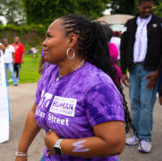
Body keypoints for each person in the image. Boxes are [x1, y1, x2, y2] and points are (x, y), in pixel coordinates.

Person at [15, 14, 135, 161]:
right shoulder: (50, 73)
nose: (44, 43)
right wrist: (21, 152)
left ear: (72, 40)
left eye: (49, 36)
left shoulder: (97, 85)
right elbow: (35, 112)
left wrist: (59, 145)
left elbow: (114, 144)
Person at [121, 0, 162, 153]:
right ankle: (137, 135)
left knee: (146, 105)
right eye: (144, 7)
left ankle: (145, 138)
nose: (147, 10)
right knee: (135, 104)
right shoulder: (129, 24)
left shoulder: (159, 23)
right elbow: (124, 48)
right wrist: (123, 70)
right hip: (133, 69)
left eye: (149, 7)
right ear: (138, 7)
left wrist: (158, 71)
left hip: (150, 71)